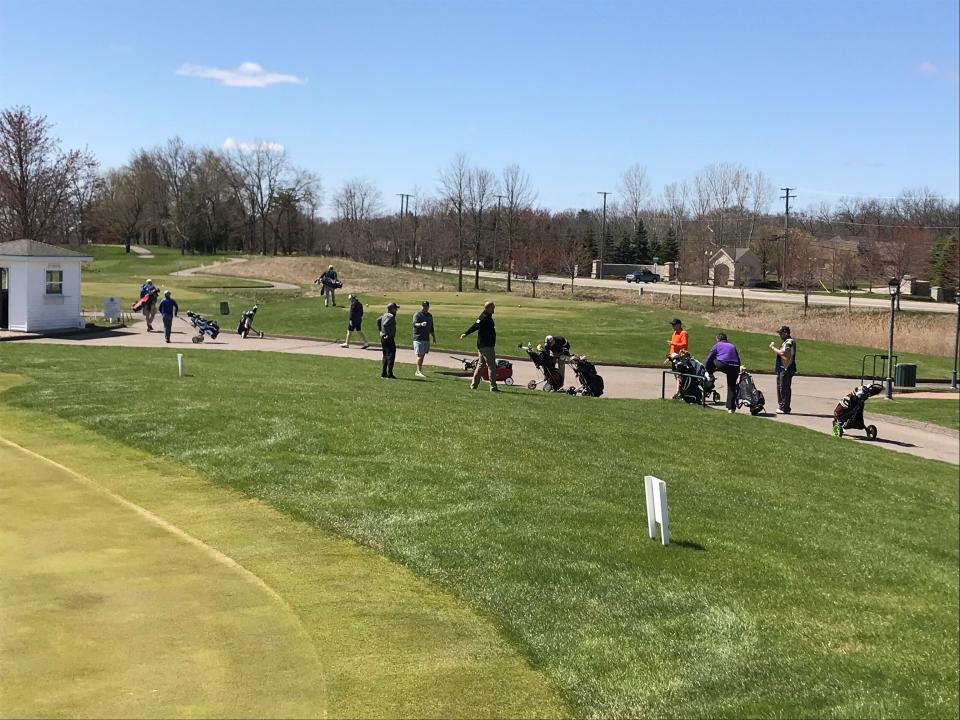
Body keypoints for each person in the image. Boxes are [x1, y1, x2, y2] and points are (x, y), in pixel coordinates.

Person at [460, 300, 499, 392]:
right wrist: (466, 333)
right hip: (486, 346)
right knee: (491, 366)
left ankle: (474, 385)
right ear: (488, 308)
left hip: (484, 346)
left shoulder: (487, 316)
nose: (494, 308)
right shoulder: (484, 317)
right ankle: (493, 387)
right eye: (493, 307)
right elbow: (475, 326)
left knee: (481, 365)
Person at [704, 332, 741, 413]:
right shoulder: (732, 345)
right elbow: (738, 358)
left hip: (723, 364)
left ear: (718, 339)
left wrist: (706, 369)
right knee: (732, 386)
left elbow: (709, 358)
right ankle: (731, 408)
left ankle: (710, 375)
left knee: (713, 360)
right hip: (735, 366)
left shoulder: (717, 345)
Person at [769, 325, 798, 414]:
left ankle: (784, 407)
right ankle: (782, 406)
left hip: (786, 369)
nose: (780, 335)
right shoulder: (785, 342)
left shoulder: (789, 342)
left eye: (781, 333)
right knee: (781, 387)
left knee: (784, 388)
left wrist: (773, 347)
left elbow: (783, 352)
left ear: (786, 333)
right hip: (782, 368)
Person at [412, 300, 436, 378]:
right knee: (420, 355)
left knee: (422, 355)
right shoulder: (417, 314)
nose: (424, 307)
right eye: (423, 306)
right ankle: (418, 371)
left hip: (426, 338)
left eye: (426, 306)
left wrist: (433, 337)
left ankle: (419, 370)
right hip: (418, 337)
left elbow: (431, 327)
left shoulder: (429, 315)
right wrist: (421, 324)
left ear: (428, 307)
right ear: (421, 306)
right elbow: (414, 324)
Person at [666, 318, 689, 398]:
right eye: (672, 325)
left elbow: (684, 344)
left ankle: (679, 391)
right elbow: (672, 347)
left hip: (680, 357)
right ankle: (679, 390)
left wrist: (673, 343)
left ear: (679, 325)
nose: (673, 326)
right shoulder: (674, 333)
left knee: (679, 374)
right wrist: (669, 356)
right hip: (674, 357)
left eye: (674, 325)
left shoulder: (683, 333)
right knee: (676, 374)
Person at [377, 302, 399, 379]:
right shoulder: (391, 316)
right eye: (395, 309)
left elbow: (378, 320)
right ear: (392, 309)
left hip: (383, 338)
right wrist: (387, 334)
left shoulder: (384, 315)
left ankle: (384, 373)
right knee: (391, 355)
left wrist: (381, 331)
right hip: (388, 338)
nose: (396, 310)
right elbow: (385, 324)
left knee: (385, 355)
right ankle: (389, 373)